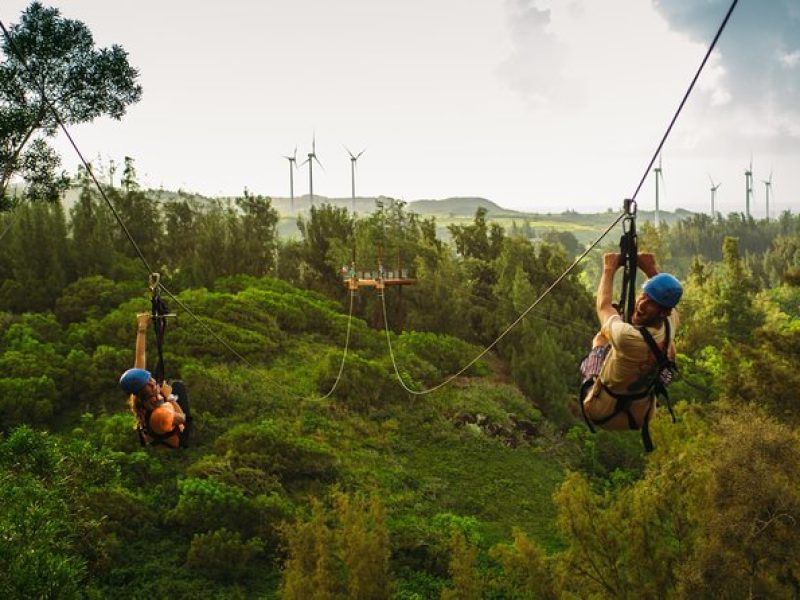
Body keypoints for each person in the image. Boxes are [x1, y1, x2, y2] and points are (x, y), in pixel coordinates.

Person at [579, 252, 682, 447]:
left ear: (663, 311)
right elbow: (665, 299)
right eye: (644, 296)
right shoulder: (671, 321)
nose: (642, 305)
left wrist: (609, 268)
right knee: (669, 352)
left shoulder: (627, 336)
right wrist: (651, 268)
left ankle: (595, 372)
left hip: (601, 410)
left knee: (601, 339)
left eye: (651, 303)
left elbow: (603, 306)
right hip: (640, 414)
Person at [119, 313, 192, 448]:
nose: (153, 380)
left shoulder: (140, 394)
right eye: (151, 381)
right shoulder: (160, 414)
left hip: (161, 419)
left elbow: (140, 357)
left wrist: (142, 328)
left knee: (173, 386)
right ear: (150, 389)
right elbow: (184, 419)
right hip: (178, 438)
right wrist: (169, 397)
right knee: (178, 387)